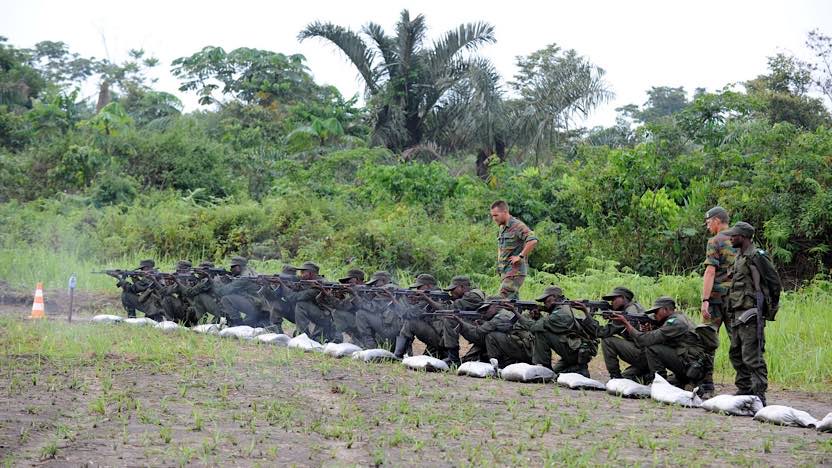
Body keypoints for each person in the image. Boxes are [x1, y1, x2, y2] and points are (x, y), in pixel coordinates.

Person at [611, 297, 708, 389]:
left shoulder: (675, 322)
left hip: (690, 366)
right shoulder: (678, 318)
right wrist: (649, 330)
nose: (654, 315)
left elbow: (644, 341)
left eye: (656, 312)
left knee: (652, 348)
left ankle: (660, 383)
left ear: (665, 309)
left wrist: (626, 324)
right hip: (689, 364)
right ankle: (669, 381)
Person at [724, 221, 771, 406]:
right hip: (737, 312)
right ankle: (744, 389)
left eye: (733, 236)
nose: (730, 238)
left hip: (750, 313)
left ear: (742, 237)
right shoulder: (740, 256)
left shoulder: (756, 256)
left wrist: (767, 309)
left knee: (752, 356)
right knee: (735, 353)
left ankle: (759, 394)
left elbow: (773, 283)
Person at [699, 206, 737, 398]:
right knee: (738, 342)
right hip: (736, 301)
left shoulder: (715, 241)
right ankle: (746, 386)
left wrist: (705, 300)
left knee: (707, 341)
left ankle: (707, 386)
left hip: (715, 301)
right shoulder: (741, 239)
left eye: (708, 223)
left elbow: (710, 271)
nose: (707, 227)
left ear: (716, 220)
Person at [531, 286, 599, 377]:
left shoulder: (561, 312)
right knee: (555, 373)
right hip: (575, 350)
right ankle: (576, 369)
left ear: (554, 297)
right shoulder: (563, 308)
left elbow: (535, 327)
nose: (544, 302)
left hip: (576, 351)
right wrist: (538, 316)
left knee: (540, 332)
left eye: (546, 299)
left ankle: (545, 367)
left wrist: (518, 314)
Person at [597, 287, 650, 381]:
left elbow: (602, 333)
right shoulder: (636, 307)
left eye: (614, 299)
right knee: (626, 377)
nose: (612, 303)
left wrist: (587, 315)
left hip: (642, 354)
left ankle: (614, 377)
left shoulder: (627, 314)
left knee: (607, 341)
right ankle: (647, 374)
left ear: (623, 298)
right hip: (649, 355)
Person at [490, 200, 538, 299]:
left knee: (501, 299)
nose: (494, 218)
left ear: (505, 212)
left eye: (496, 215)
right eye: (492, 216)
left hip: (515, 272)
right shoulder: (502, 228)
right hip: (505, 272)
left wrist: (520, 256)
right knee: (512, 302)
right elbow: (501, 248)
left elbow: (533, 240)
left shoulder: (517, 226)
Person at [394, 274, 446, 359]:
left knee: (410, 322)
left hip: (442, 339)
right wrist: (414, 302)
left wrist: (396, 300)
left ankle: (398, 355)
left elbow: (408, 314)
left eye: (419, 287)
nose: (417, 290)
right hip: (438, 337)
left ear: (428, 286)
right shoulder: (431, 296)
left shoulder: (435, 296)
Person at [354, 271, 401, 350]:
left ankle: (370, 346)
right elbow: (372, 307)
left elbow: (370, 307)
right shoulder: (383, 290)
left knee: (361, 313)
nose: (374, 285)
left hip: (393, 329)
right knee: (361, 313)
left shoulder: (389, 288)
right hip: (389, 328)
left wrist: (355, 294)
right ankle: (371, 346)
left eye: (376, 282)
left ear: (383, 280)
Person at [290, 262, 335, 341]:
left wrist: (289, 290)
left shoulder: (320, 284)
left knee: (301, 304)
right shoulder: (310, 282)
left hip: (327, 317)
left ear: (310, 273)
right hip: (322, 314)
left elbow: (297, 297)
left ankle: (303, 335)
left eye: (303, 272)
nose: (301, 274)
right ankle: (305, 335)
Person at [328, 269, 366, 344]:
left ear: (357, 279)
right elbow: (344, 307)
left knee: (338, 313)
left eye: (349, 281)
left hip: (367, 323)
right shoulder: (355, 291)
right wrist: (337, 296)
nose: (346, 284)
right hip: (359, 321)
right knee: (337, 312)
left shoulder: (366, 290)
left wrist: (354, 294)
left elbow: (363, 306)